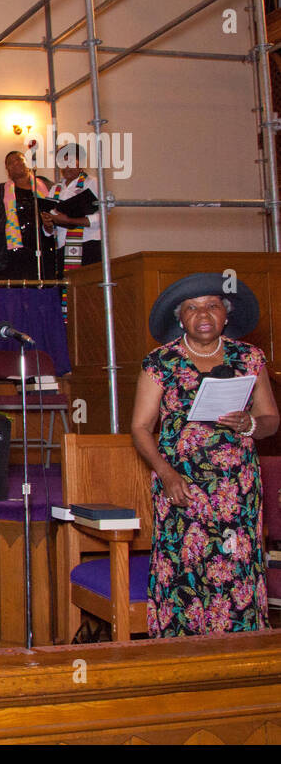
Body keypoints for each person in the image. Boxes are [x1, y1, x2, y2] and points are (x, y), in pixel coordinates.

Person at [131, 273, 277, 637]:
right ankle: (179, 657)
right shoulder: (160, 362)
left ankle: (240, 657)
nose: (203, 314)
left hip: (237, 487)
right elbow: (139, 428)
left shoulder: (250, 358)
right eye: (192, 308)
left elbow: (272, 419)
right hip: (180, 486)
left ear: (226, 314)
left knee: (237, 566)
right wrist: (166, 474)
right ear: (180, 318)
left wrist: (250, 425)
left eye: (212, 305)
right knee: (186, 567)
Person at [0, 150, 54, 279]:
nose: (16, 163)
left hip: (42, 249)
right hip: (10, 252)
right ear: (7, 170)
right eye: (10, 163)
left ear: (26, 163)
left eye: (19, 160)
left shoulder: (47, 187)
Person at [44, 142, 101, 278]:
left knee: (86, 289)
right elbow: (48, 232)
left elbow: (101, 218)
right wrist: (47, 223)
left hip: (88, 245)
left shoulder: (92, 183)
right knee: (67, 291)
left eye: (69, 160)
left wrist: (69, 220)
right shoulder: (55, 189)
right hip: (63, 247)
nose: (66, 166)